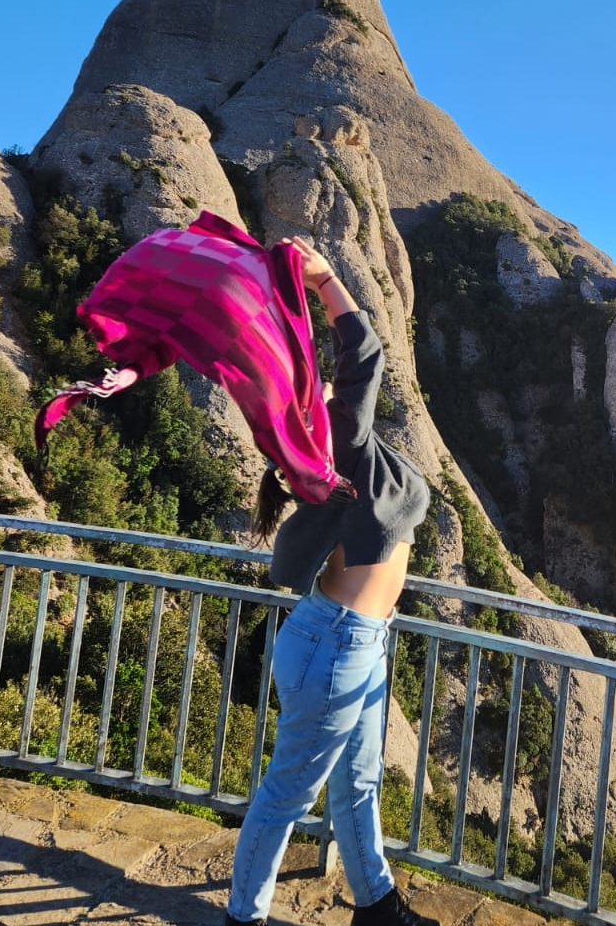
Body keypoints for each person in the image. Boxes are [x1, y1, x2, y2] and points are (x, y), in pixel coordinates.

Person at [226, 236, 436, 926]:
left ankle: (375, 905)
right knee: (289, 795)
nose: (319, 384)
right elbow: (365, 353)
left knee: (358, 785)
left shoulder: (340, 450)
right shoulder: (335, 440)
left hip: (356, 641)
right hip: (336, 645)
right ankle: (243, 917)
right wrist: (324, 282)